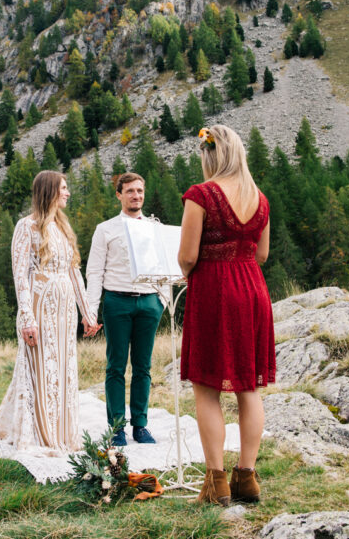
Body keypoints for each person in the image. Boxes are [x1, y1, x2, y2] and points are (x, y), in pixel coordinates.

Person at [177, 125, 274, 506]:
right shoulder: (260, 198)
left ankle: (216, 482)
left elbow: (187, 257)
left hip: (215, 292)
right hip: (253, 290)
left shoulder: (200, 195)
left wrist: (196, 267)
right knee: (249, 388)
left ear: (210, 156)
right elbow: (262, 254)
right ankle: (247, 477)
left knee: (207, 386)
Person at [0, 170, 102, 453]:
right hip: (40, 307)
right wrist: (27, 318)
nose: (68, 192)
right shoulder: (26, 226)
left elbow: (74, 272)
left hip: (64, 310)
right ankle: (40, 433)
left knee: (62, 368)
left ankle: (62, 431)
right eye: (63, 188)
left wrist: (87, 313)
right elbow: (20, 274)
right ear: (49, 190)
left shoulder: (63, 227)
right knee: (42, 368)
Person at [85, 172, 169, 447]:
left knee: (143, 367)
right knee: (116, 365)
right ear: (119, 195)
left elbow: (165, 263)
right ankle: (117, 428)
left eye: (140, 191)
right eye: (130, 191)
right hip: (117, 301)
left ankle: (141, 426)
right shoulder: (105, 229)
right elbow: (94, 271)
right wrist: (91, 309)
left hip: (148, 302)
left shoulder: (155, 228)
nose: (136, 196)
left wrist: (162, 300)